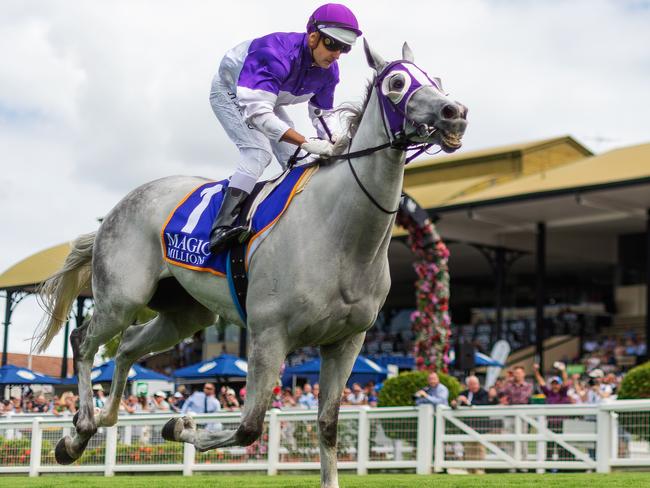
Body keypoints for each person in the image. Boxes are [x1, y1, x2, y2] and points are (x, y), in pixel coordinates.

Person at [208, 3, 362, 252]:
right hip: (232, 91)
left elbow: (322, 115)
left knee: (299, 160)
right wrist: (304, 140)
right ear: (313, 37)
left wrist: (337, 144)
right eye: (332, 44)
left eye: (344, 48)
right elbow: (258, 113)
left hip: (269, 99)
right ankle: (221, 227)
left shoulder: (329, 72)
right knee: (258, 153)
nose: (336, 54)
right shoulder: (274, 54)